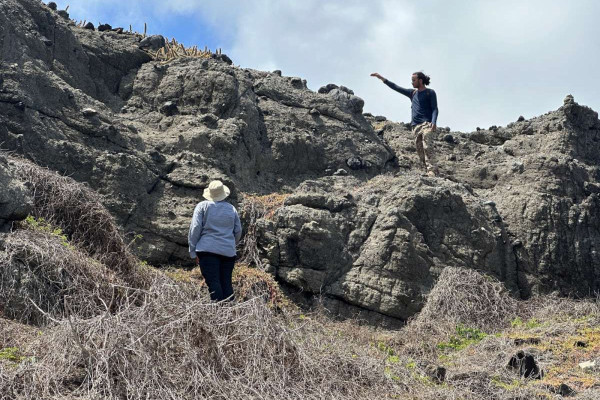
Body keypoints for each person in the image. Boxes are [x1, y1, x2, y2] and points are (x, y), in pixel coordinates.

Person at [371, 71, 439, 176]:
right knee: (420, 150)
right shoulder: (413, 93)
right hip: (415, 127)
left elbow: (434, 108)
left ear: (420, 81)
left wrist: (433, 122)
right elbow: (396, 87)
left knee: (427, 145)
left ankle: (432, 171)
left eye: (414, 80)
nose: (412, 82)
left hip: (427, 125)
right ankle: (428, 171)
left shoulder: (430, 92)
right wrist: (381, 78)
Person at [188, 180, 242, 302]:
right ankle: (229, 311)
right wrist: (230, 244)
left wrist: (193, 251)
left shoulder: (202, 206)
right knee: (226, 284)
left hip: (207, 250)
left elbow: (195, 228)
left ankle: (218, 311)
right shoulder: (231, 209)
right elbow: (238, 230)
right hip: (228, 253)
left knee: (214, 283)